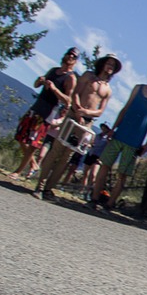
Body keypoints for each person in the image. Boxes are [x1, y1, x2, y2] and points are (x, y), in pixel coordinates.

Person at [32, 54, 119, 200]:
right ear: (103, 64)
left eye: (113, 65)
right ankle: (39, 186)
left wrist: (86, 113)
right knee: (56, 150)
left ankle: (49, 188)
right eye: (108, 63)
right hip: (73, 116)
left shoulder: (108, 89)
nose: (110, 67)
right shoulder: (88, 76)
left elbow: (100, 110)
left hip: (86, 122)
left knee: (67, 156)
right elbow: (76, 93)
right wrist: (78, 109)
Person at [91, 63, 147, 211]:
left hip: (135, 141)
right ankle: (94, 199)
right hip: (120, 133)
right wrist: (113, 128)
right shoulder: (138, 88)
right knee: (104, 166)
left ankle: (109, 204)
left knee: (122, 174)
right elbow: (125, 108)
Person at [9, 47, 80, 180]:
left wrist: (54, 89)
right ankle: (34, 164)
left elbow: (67, 100)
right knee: (20, 136)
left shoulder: (70, 78)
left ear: (75, 61)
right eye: (69, 54)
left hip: (48, 111)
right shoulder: (53, 71)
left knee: (33, 144)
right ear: (65, 55)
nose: (70, 57)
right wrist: (40, 80)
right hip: (37, 106)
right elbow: (36, 85)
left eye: (74, 56)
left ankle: (18, 172)